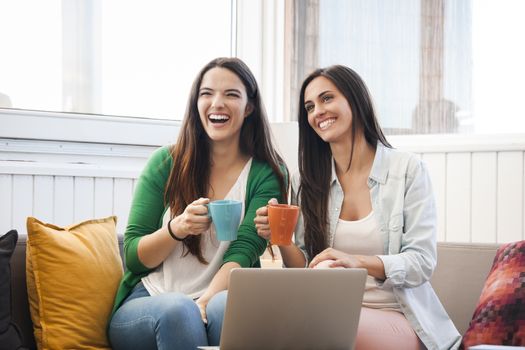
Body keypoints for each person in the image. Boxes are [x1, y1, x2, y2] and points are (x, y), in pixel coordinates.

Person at [254, 65, 461, 350]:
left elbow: (422, 262)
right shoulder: (310, 181)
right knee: (279, 321)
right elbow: (304, 268)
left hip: (398, 315)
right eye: (310, 106)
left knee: (322, 325)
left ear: (355, 100)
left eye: (327, 98)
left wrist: (357, 262)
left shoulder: (408, 170)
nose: (318, 112)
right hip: (328, 311)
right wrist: (281, 239)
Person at [109, 57, 287, 349]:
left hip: (220, 293)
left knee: (229, 307)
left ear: (249, 107)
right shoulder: (165, 163)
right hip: (151, 299)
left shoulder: (267, 173)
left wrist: (204, 301)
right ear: (196, 104)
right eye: (207, 94)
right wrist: (176, 229)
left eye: (231, 94)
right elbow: (133, 255)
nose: (217, 102)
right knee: (179, 310)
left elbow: (244, 251)